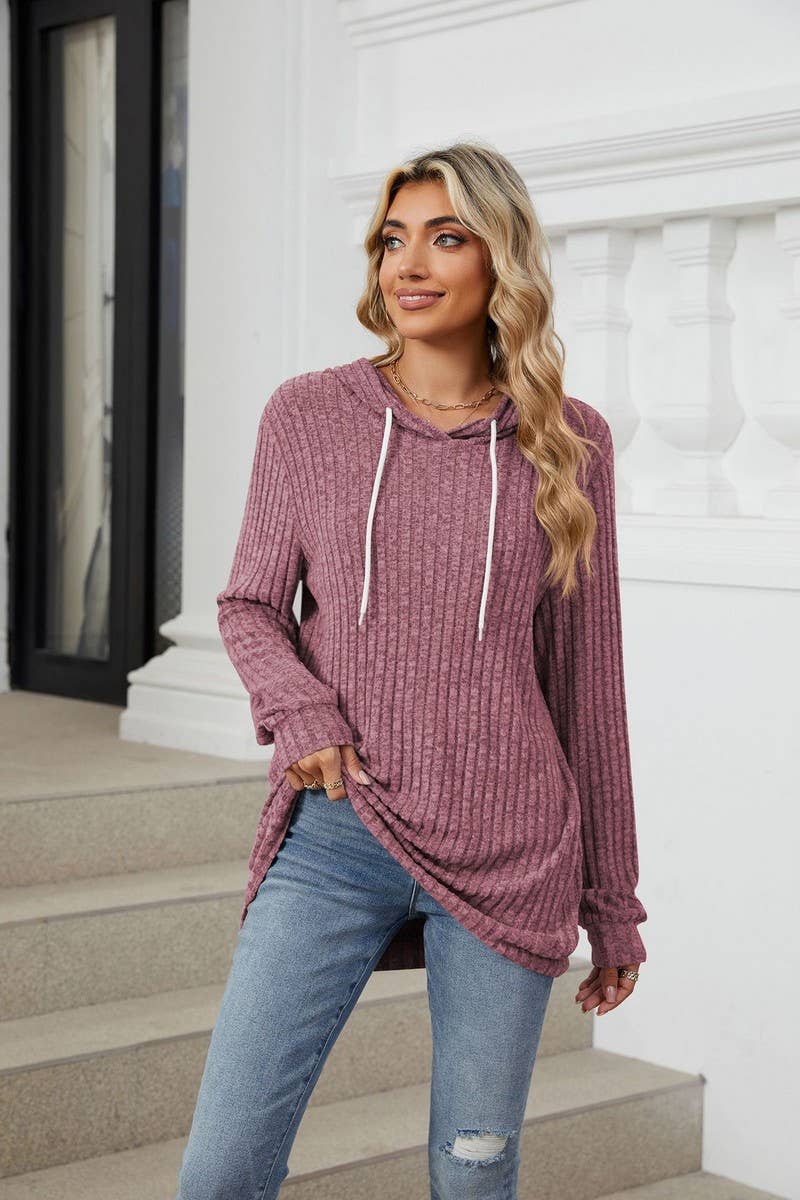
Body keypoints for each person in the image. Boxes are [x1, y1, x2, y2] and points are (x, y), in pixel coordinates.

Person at [174, 140, 648, 1200]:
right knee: (223, 1166)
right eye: (393, 239)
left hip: (513, 847)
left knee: (473, 1171)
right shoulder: (309, 415)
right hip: (340, 833)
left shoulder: (569, 442)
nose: (409, 264)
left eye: (446, 237)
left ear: (500, 260)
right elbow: (250, 604)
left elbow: (588, 687)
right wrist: (301, 709)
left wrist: (611, 901)